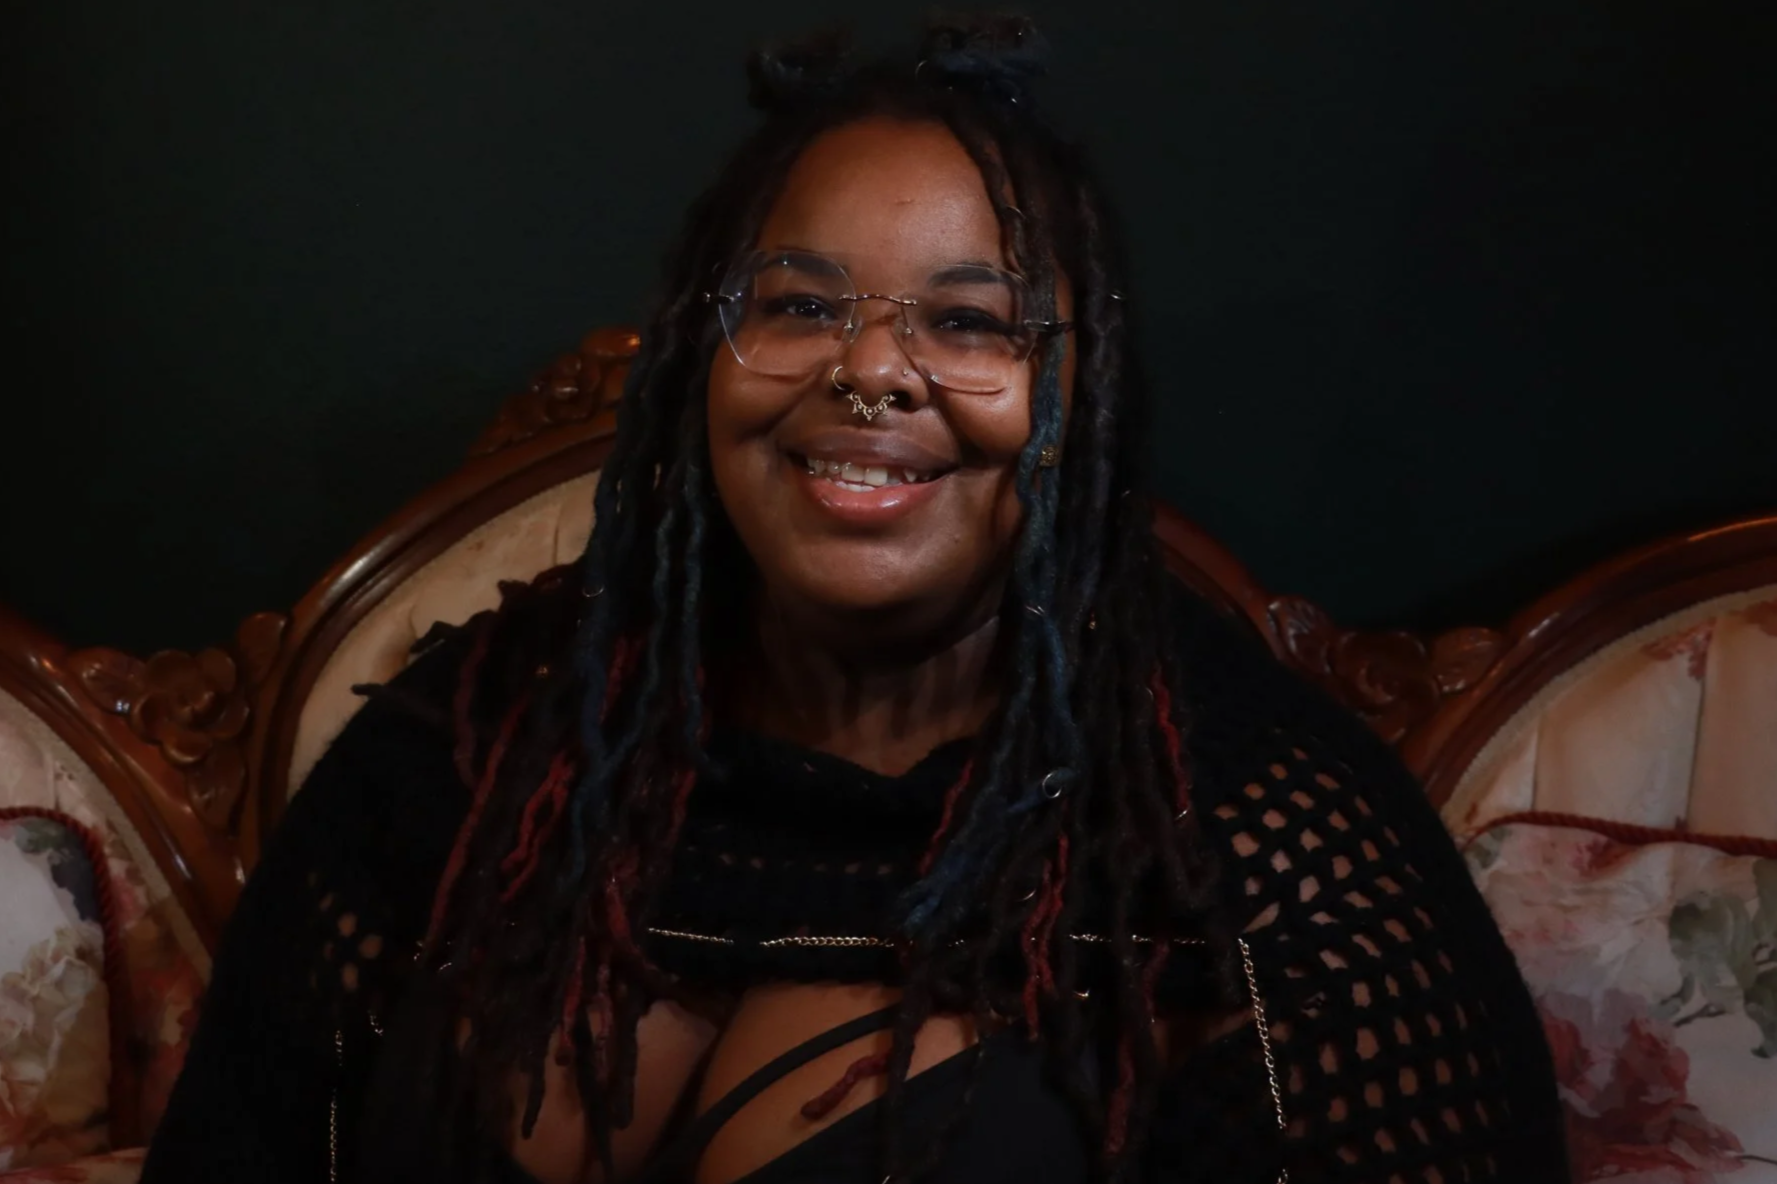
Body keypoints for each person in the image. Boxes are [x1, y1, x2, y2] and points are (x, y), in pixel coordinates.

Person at [141, 15, 1566, 1184]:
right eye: (801, 304)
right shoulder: (462, 752)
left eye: (970, 321)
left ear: (1081, 403)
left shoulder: (1248, 827)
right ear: (703, 359)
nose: (871, 370)